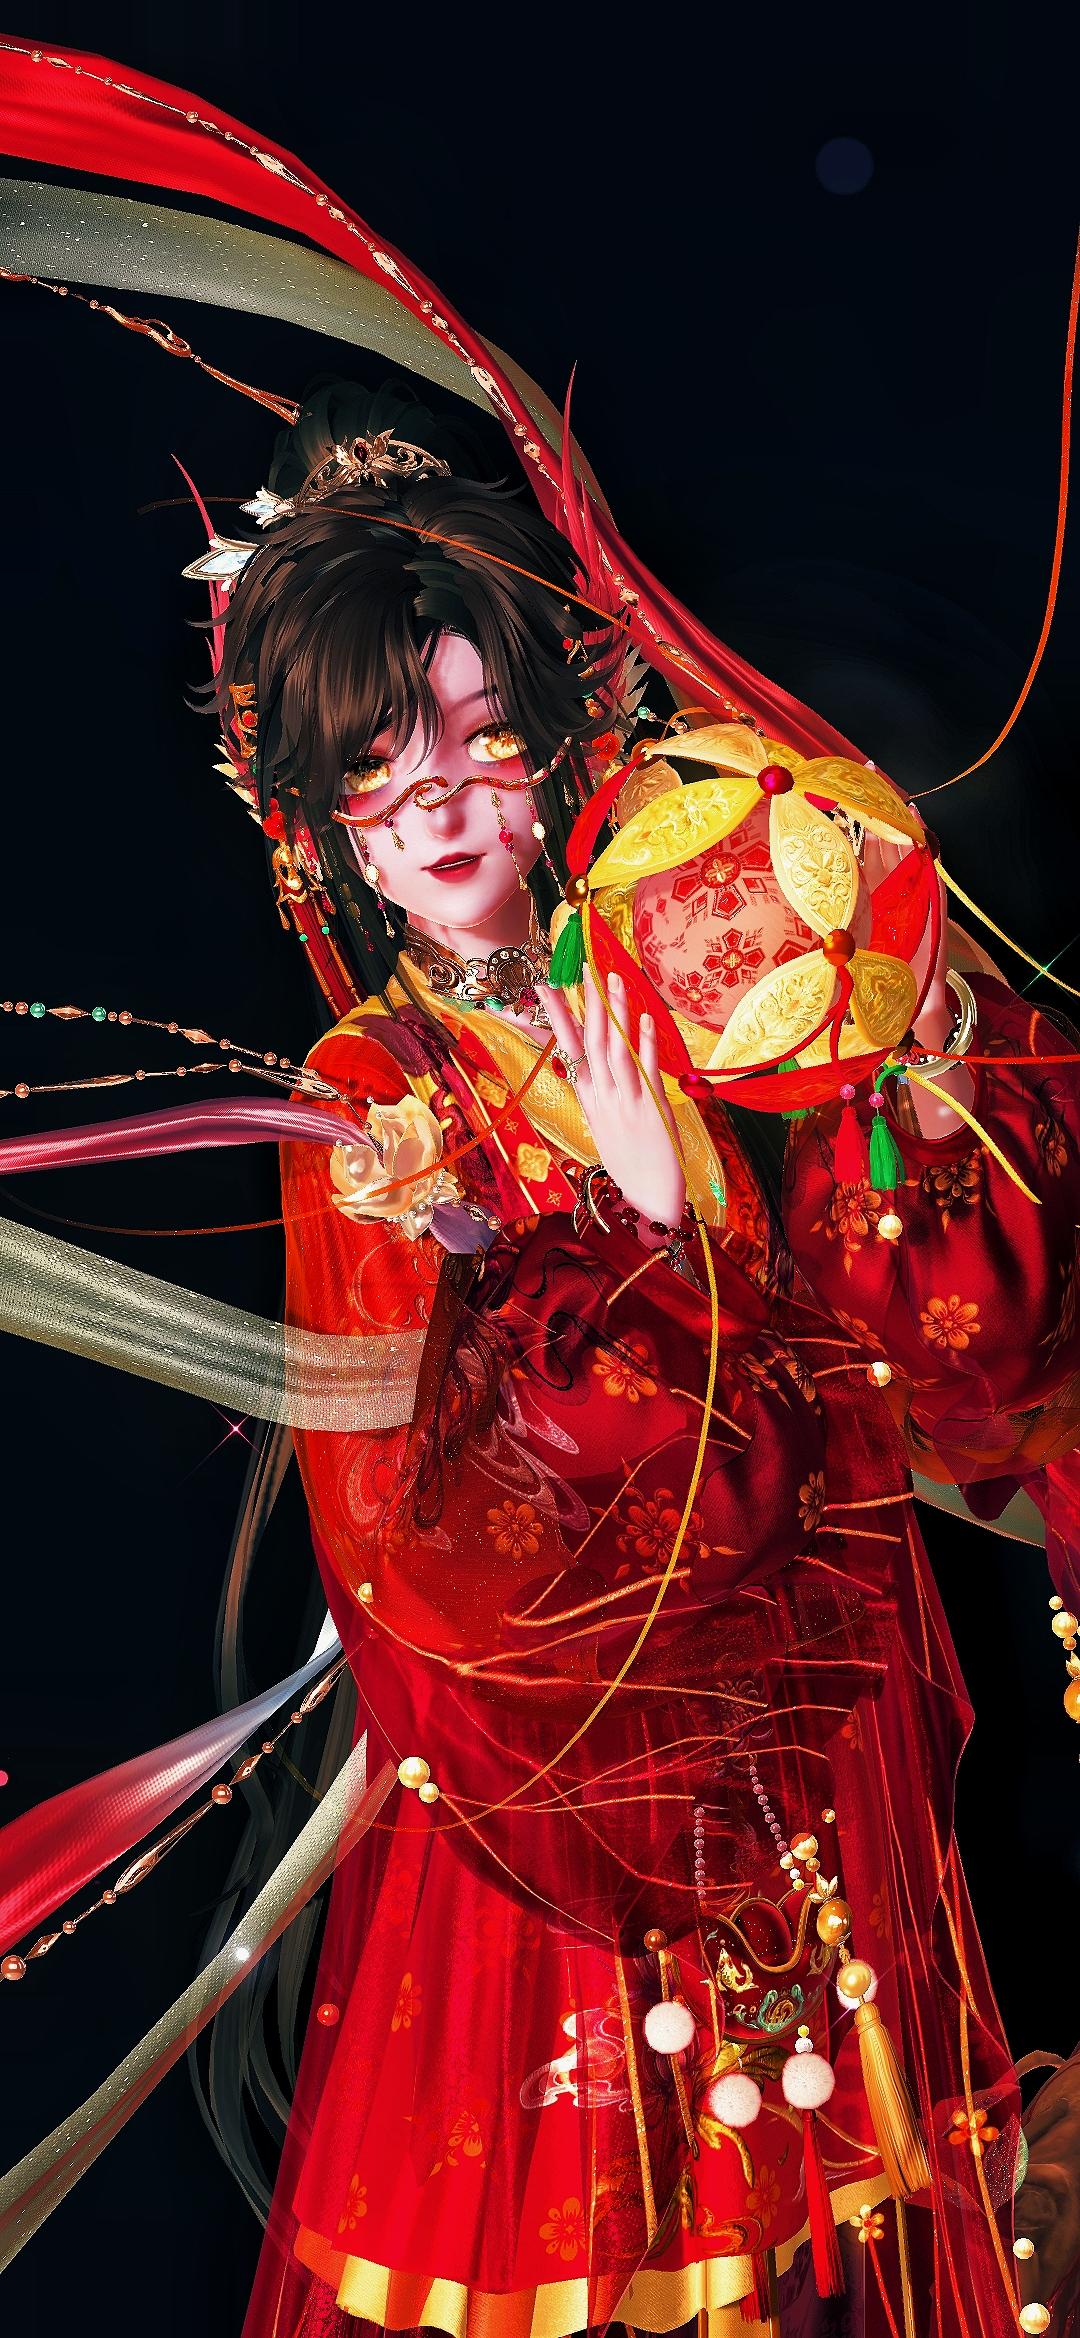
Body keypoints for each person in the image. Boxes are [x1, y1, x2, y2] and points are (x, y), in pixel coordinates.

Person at [1, 44, 1080, 2338]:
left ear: (547, 725)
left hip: (829, 1782)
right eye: (384, 767)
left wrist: (906, 1074)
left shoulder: (696, 950)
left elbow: (901, 1355)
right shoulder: (370, 1095)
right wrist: (641, 1240)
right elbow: (444, 1573)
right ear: (319, 820)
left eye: (476, 734)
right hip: (563, 1854)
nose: (448, 800)